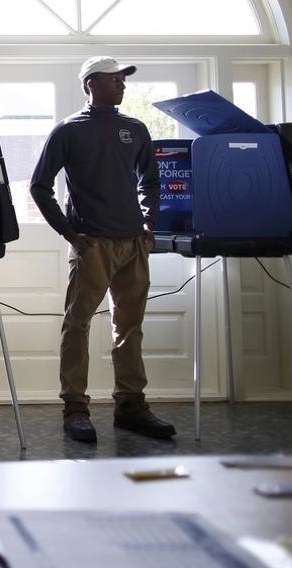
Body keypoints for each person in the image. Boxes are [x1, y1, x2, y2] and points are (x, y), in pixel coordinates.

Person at [29, 57, 176, 443]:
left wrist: (149, 223)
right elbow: (39, 186)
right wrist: (68, 232)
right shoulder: (68, 131)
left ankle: (131, 405)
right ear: (92, 84)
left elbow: (150, 179)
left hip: (133, 244)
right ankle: (75, 408)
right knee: (77, 325)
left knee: (129, 327)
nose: (123, 86)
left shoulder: (135, 128)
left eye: (123, 80)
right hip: (91, 244)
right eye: (116, 80)